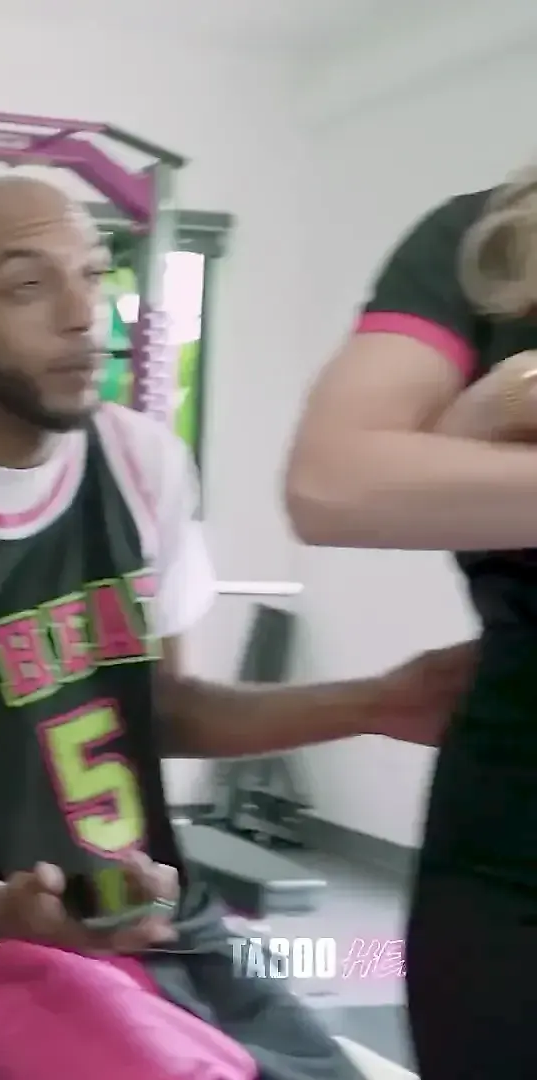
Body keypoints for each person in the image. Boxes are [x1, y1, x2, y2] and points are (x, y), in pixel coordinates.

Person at [0, 175, 469, 1080]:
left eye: (94, 275)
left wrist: (380, 701)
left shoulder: (143, 465)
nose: (81, 315)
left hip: (147, 912)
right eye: (29, 286)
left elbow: (164, 706)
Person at [285, 172, 537, 1079]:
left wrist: (474, 428)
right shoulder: (486, 240)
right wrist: (496, 403)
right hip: (512, 829)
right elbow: (334, 483)